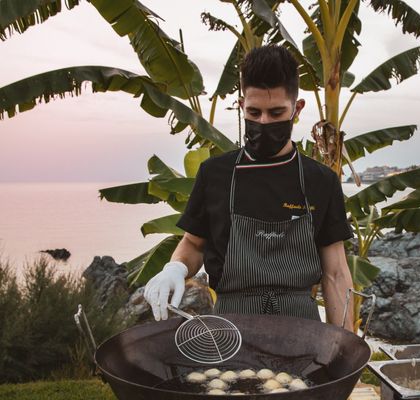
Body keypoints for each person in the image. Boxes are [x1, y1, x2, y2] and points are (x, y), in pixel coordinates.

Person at [144, 45, 355, 330]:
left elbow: (336, 274)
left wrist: (343, 350)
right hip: (231, 327)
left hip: (302, 329)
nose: (263, 122)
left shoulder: (320, 181)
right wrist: (176, 268)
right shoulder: (215, 174)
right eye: (254, 112)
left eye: (276, 112)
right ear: (242, 104)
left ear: (297, 108)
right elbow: (193, 244)